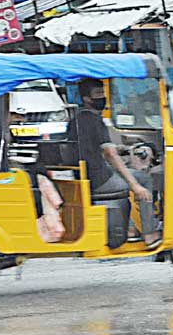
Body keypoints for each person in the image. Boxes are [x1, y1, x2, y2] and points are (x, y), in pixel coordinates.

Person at [68, 79, 160, 248]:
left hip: (84, 176)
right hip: (101, 180)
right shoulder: (96, 121)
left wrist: (122, 149)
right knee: (144, 180)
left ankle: (131, 231)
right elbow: (109, 154)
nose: (102, 98)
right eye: (97, 94)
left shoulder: (76, 120)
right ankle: (150, 234)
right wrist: (135, 186)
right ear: (87, 98)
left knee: (130, 173)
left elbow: (96, 147)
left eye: (103, 94)